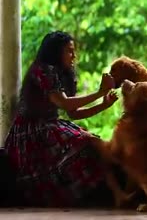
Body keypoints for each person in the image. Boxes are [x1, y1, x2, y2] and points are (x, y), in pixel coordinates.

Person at [4, 31, 119, 207]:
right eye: (69, 51)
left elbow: (75, 113)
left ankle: (119, 194)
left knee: (94, 142)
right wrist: (100, 92)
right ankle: (114, 194)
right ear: (56, 52)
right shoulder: (42, 70)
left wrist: (105, 104)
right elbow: (64, 103)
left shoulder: (65, 74)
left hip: (49, 126)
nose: (74, 56)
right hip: (31, 132)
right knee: (88, 142)